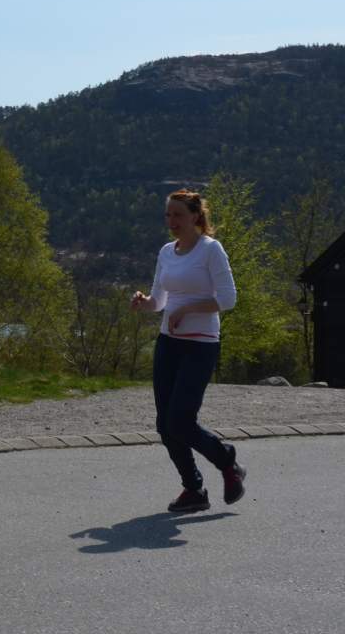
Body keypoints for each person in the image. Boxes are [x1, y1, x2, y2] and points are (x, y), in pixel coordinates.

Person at [129, 188, 246, 514]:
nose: (172, 221)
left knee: (180, 420)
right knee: (165, 425)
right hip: (169, 344)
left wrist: (187, 310)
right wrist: (144, 303)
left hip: (201, 345)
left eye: (178, 214)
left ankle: (227, 462)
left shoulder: (211, 250)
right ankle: (194, 489)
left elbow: (227, 300)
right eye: (168, 215)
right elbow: (159, 302)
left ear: (196, 216)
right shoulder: (167, 252)